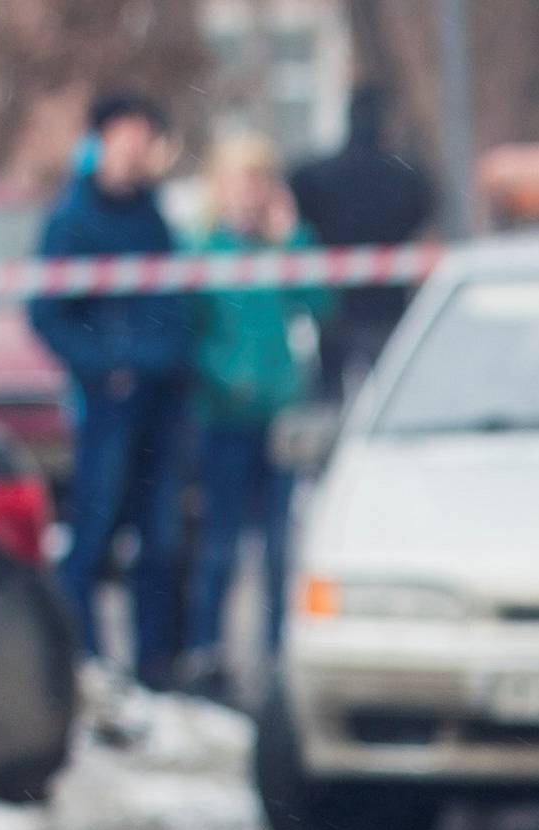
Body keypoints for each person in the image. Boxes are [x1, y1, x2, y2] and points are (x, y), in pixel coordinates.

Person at [29, 93, 191, 690]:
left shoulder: (153, 213)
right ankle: (88, 661)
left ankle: (154, 668)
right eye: (126, 135)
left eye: (143, 137)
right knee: (94, 534)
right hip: (110, 402)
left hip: (163, 397)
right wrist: (105, 365)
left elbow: (172, 296)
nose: (135, 149)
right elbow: (47, 314)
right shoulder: (73, 218)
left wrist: (176, 357)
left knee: (160, 539)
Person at [181, 131, 336, 699]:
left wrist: (293, 239)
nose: (248, 194)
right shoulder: (200, 252)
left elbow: (320, 303)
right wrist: (223, 378)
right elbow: (191, 335)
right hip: (224, 417)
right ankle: (207, 652)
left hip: (279, 416)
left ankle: (276, 655)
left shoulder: (284, 249)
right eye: (239, 181)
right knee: (221, 540)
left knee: (278, 544)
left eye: (258, 181)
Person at [287, 86, 433, 402]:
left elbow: (300, 207)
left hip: (336, 306)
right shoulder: (405, 177)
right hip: (386, 305)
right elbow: (422, 210)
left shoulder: (316, 176)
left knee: (331, 399)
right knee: (394, 396)